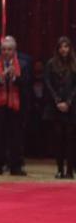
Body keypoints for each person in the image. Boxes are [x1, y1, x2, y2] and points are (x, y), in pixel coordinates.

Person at [0, 36, 31, 176]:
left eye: (9, 49)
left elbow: (27, 84)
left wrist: (14, 78)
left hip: (17, 106)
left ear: (14, 51)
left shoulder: (23, 64)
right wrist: (0, 78)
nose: (6, 52)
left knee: (16, 136)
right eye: (4, 49)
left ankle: (16, 166)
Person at [43, 37, 76, 178]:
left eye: (66, 46)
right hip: (55, 106)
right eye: (61, 47)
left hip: (71, 107)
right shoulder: (51, 64)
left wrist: (68, 102)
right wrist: (57, 101)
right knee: (58, 138)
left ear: (70, 48)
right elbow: (47, 83)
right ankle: (59, 169)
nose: (64, 49)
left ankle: (70, 170)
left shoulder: (74, 63)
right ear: (57, 49)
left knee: (70, 138)